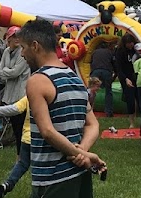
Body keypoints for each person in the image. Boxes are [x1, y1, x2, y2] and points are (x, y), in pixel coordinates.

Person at [20, 18, 104, 197]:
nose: (22, 54)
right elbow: (92, 124)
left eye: (23, 47)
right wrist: (83, 152)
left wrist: (80, 154)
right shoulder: (74, 77)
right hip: (79, 173)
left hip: (52, 176)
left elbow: (47, 132)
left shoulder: (37, 81)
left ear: (35, 46)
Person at [0, 95, 30, 198]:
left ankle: (7, 184)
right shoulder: (51, 96)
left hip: (26, 138)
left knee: (22, 164)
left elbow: (14, 109)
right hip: (41, 139)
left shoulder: (29, 96)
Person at [0, 26, 29, 148]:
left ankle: (21, 151)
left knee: (20, 125)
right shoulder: (6, 51)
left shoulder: (23, 52)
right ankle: (18, 150)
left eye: (18, 36)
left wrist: (6, 71)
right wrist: (7, 71)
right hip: (9, 93)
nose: (16, 39)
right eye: (14, 36)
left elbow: (16, 72)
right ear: (8, 38)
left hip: (20, 93)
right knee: (14, 124)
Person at [112, 39, 137, 129]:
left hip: (136, 76)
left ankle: (138, 118)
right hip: (126, 77)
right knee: (130, 98)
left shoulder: (136, 50)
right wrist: (125, 79)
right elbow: (119, 68)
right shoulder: (120, 52)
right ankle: (131, 121)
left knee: (138, 97)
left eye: (132, 43)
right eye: (129, 43)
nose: (131, 45)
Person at [88, 40, 116, 118]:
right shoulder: (109, 52)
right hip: (106, 71)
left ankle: (89, 110)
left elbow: (90, 62)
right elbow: (114, 63)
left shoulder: (95, 52)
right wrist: (114, 75)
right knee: (108, 91)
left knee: (91, 91)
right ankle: (108, 112)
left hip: (95, 71)